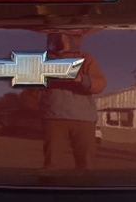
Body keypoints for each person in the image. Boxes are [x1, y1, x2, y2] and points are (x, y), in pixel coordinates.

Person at [40, 31, 107, 170]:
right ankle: (51, 188)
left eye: (66, 35)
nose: (62, 39)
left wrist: (82, 79)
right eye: (57, 35)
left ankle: (85, 189)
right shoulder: (44, 60)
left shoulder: (85, 58)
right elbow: (31, 91)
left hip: (84, 119)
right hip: (54, 118)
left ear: (74, 39)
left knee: (85, 164)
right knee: (52, 164)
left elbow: (100, 83)